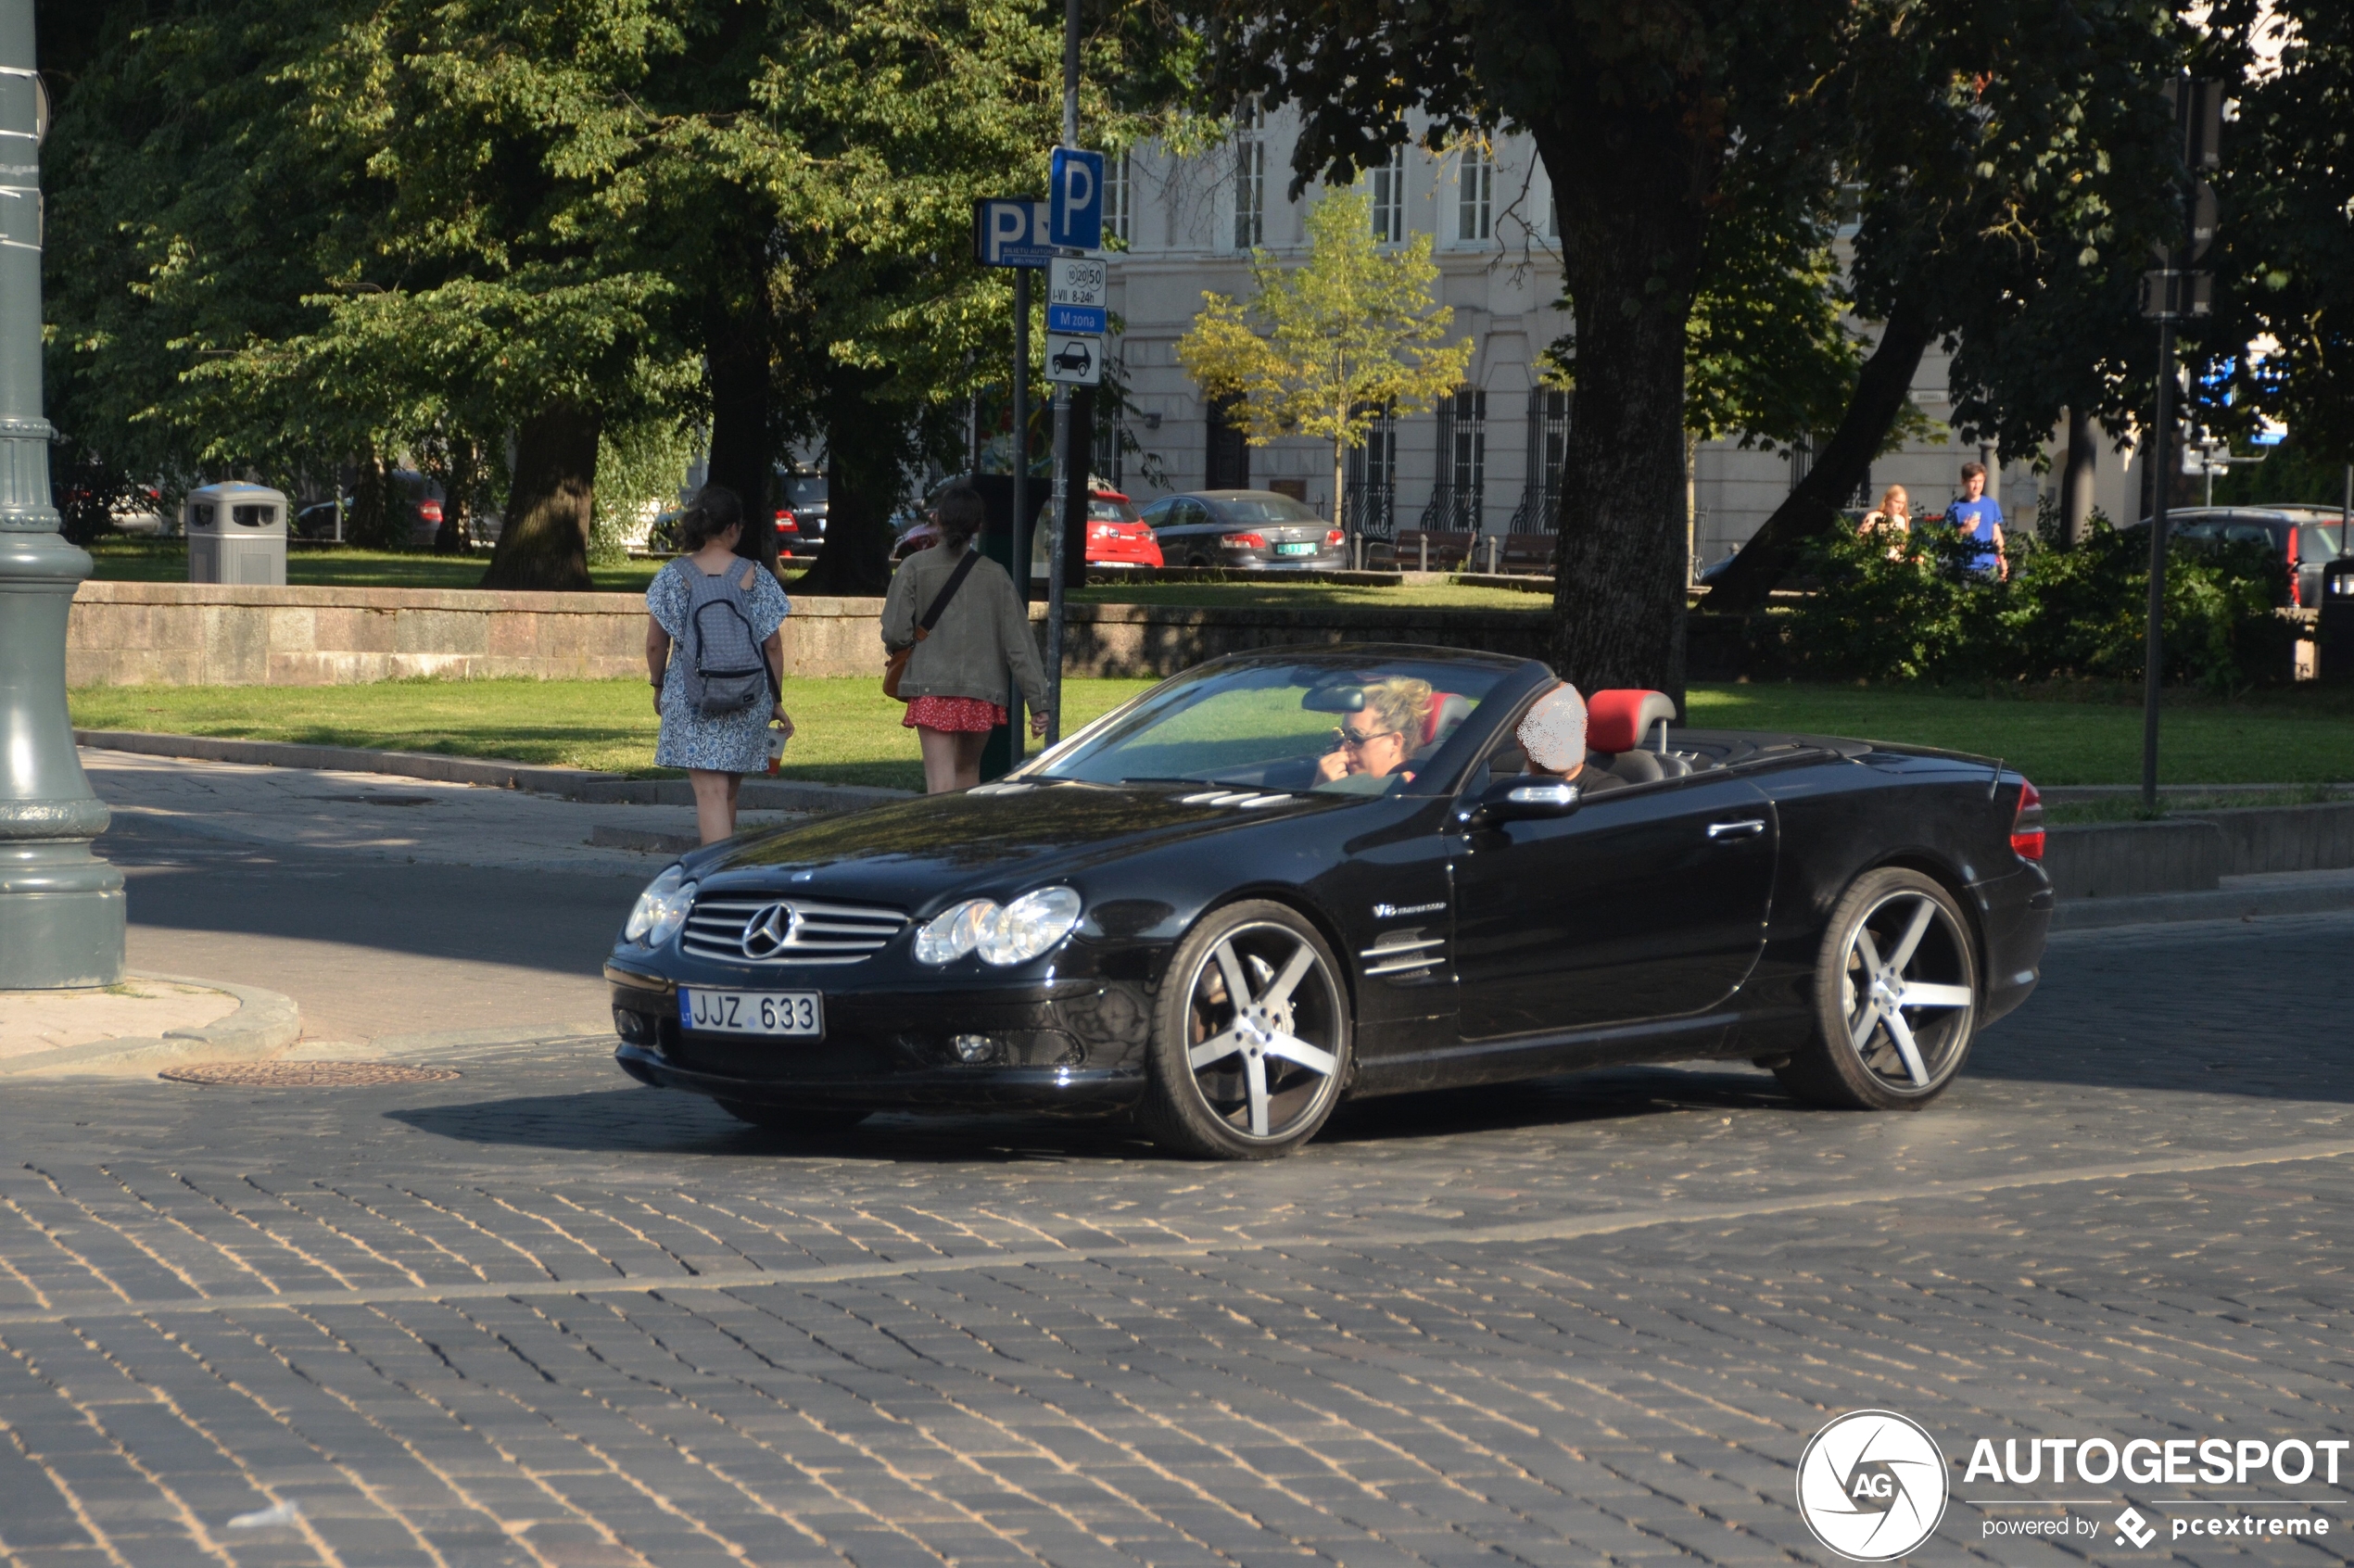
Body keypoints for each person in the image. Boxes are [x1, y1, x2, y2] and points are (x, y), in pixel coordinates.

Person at [646, 485, 794, 845]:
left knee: (709, 794)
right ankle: (727, 871)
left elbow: (655, 643)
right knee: (726, 793)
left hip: (693, 695)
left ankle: (717, 882)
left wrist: (658, 685)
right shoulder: (756, 575)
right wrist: (774, 699)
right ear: (734, 529)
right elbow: (772, 644)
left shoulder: (672, 575)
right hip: (747, 697)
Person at [883, 483, 1051, 793]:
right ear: (978, 526)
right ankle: (962, 839)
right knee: (968, 771)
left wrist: (901, 648)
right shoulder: (996, 574)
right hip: (981, 690)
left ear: (937, 520)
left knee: (940, 780)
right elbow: (1019, 646)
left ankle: (941, 838)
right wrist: (1037, 703)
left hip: (930, 685)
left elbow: (896, 632)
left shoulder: (913, 567)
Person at [1314, 676, 1432, 793]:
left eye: (1356, 737)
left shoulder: (1411, 794)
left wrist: (1323, 792)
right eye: (1341, 736)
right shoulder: (1364, 788)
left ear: (1395, 743)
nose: (1342, 749)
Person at [1943, 461, 2008, 579]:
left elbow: (1997, 537)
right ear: (1963, 481)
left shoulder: (1991, 505)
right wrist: (1963, 530)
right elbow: (1945, 539)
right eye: (1973, 481)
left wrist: (2004, 566)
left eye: (1980, 481)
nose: (1977, 486)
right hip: (1964, 568)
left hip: (1989, 567)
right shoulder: (1955, 508)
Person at [1860, 484, 1912, 556]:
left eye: (1902, 503)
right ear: (1887, 500)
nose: (1900, 506)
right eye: (1897, 502)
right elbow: (1860, 539)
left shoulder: (1901, 520)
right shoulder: (1874, 516)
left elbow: (1902, 545)